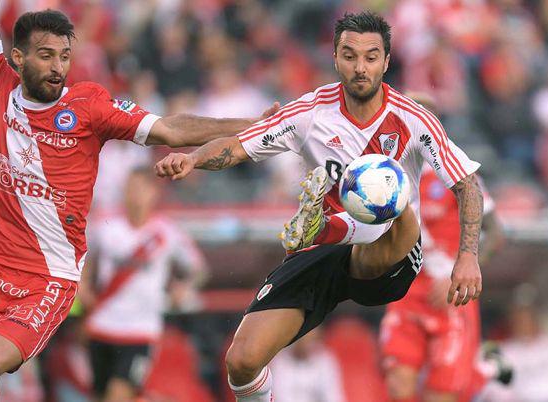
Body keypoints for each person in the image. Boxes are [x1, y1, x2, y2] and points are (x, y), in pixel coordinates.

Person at [0, 2, 277, 401]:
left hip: (45, 280)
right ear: (18, 57)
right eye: (46, 56)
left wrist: (252, 123)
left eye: (64, 56)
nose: (58, 67)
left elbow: (170, 128)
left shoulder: (89, 106)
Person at [155, 11, 484, 401]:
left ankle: (328, 226)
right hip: (320, 254)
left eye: (370, 56)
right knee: (241, 362)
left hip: (389, 254)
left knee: (390, 195)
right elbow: (239, 145)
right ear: (334, 56)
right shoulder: (310, 111)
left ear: (386, 61)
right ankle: (322, 231)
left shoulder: (412, 119)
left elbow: (467, 185)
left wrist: (468, 256)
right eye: (350, 55)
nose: (360, 67)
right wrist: (193, 159)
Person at [379, 93, 508, 402]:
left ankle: (483, 369)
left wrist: (460, 271)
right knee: (399, 388)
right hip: (406, 296)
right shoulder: (383, 173)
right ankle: (481, 366)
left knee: (440, 396)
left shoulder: (458, 171)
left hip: (449, 297)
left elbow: (496, 233)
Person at [81, 167, 207, 402]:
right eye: (130, 188)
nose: (134, 194)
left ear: (153, 193)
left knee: (118, 395)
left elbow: (198, 268)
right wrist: (84, 285)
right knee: (100, 395)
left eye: (140, 188)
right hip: (102, 324)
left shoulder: (166, 232)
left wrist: (183, 287)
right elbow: (86, 258)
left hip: (141, 330)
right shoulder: (106, 226)